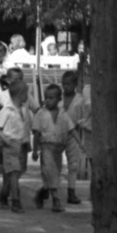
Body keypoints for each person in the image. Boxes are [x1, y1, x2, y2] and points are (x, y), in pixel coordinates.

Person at [30, 82, 73, 212]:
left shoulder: (63, 114)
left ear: (59, 99)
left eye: (51, 98)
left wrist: (80, 144)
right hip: (46, 148)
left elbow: (71, 129)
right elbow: (36, 133)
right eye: (46, 98)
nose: (47, 101)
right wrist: (35, 150)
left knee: (54, 175)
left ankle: (42, 192)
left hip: (58, 150)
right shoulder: (41, 114)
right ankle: (56, 201)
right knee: (51, 173)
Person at [0, 71, 31, 211]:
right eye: (26, 93)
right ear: (20, 94)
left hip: (21, 145)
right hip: (9, 146)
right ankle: (16, 201)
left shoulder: (23, 109)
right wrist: (6, 141)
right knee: (14, 172)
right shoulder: (7, 110)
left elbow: (26, 126)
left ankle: (4, 194)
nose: (27, 96)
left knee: (18, 171)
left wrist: (27, 142)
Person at [61, 70, 89, 205]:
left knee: (72, 165)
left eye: (68, 84)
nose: (65, 87)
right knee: (53, 163)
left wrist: (80, 130)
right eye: (64, 84)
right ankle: (48, 188)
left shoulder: (80, 100)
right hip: (57, 134)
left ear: (75, 85)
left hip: (73, 134)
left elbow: (83, 118)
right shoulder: (58, 98)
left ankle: (71, 192)